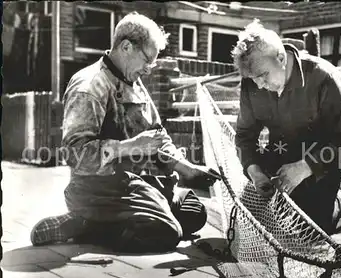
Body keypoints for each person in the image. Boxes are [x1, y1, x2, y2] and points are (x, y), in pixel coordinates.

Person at [30, 12, 220, 253]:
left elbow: (157, 136)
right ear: (126, 46)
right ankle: (84, 224)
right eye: (148, 60)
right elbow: (74, 154)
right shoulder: (89, 85)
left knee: (194, 211)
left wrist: (188, 169)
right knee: (167, 232)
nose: (150, 69)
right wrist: (130, 147)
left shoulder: (131, 79)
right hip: (98, 190)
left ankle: (125, 217)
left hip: (133, 182)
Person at [231, 20, 341, 235]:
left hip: (319, 166)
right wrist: (255, 172)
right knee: (249, 225)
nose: (260, 85)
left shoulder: (324, 77)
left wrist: (304, 167)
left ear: (280, 58)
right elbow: (245, 136)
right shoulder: (252, 82)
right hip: (277, 160)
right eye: (253, 80)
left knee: (310, 234)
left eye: (263, 76)